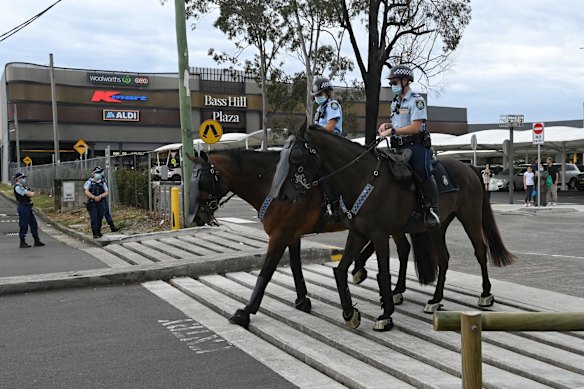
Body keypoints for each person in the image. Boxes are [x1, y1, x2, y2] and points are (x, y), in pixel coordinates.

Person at [378, 64, 440, 229]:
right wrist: (387, 125)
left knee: (422, 170)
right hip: (398, 147)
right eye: (391, 83)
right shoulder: (395, 102)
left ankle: (432, 209)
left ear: (406, 81)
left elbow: (414, 127)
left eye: (395, 82)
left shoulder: (417, 101)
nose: (393, 86)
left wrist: (393, 130)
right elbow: (397, 122)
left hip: (416, 146)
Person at [13, 172, 45, 248]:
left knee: (33, 224)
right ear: (18, 179)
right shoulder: (18, 187)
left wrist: (30, 192)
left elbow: (29, 193)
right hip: (23, 207)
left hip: (28, 207)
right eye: (22, 178)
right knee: (23, 225)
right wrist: (31, 193)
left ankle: (36, 240)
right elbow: (30, 194)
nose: (24, 179)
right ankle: (22, 241)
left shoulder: (23, 186)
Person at [85, 166, 119, 232]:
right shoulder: (90, 181)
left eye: (100, 172)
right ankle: (96, 231)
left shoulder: (103, 180)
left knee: (106, 212)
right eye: (98, 172)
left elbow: (106, 191)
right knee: (95, 216)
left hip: (102, 198)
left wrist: (101, 196)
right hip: (93, 200)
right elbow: (86, 191)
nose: (100, 173)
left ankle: (111, 226)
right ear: (94, 173)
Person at [84, 168, 109, 238]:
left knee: (100, 217)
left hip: (100, 202)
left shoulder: (102, 182)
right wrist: (94, 197)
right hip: (92, 203)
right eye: (96, 173)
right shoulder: (89, 182)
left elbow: (107, 192)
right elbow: (86, 192)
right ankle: (95, 233)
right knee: (94, 218)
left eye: (99, 173)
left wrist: (100, 196)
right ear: (93, 174)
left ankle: (98, 231)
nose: (98, 175)